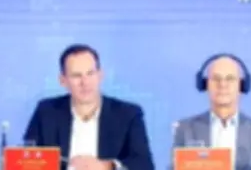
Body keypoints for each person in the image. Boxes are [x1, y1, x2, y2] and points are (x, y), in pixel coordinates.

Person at [23, 44, 155, 170]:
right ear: (63, 80)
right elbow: (26, 160)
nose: (85, 82)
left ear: (100, 75)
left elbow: (144, 165)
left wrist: (107, 167)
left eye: (90, 73)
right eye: (76, 76)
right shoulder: (46, 111)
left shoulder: (128, 114)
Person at [172, 54, 251, 170]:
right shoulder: (185, 130)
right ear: (205, 85)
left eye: (230, 79)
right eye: (216, 78)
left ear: (241, 85)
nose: (222, 85)